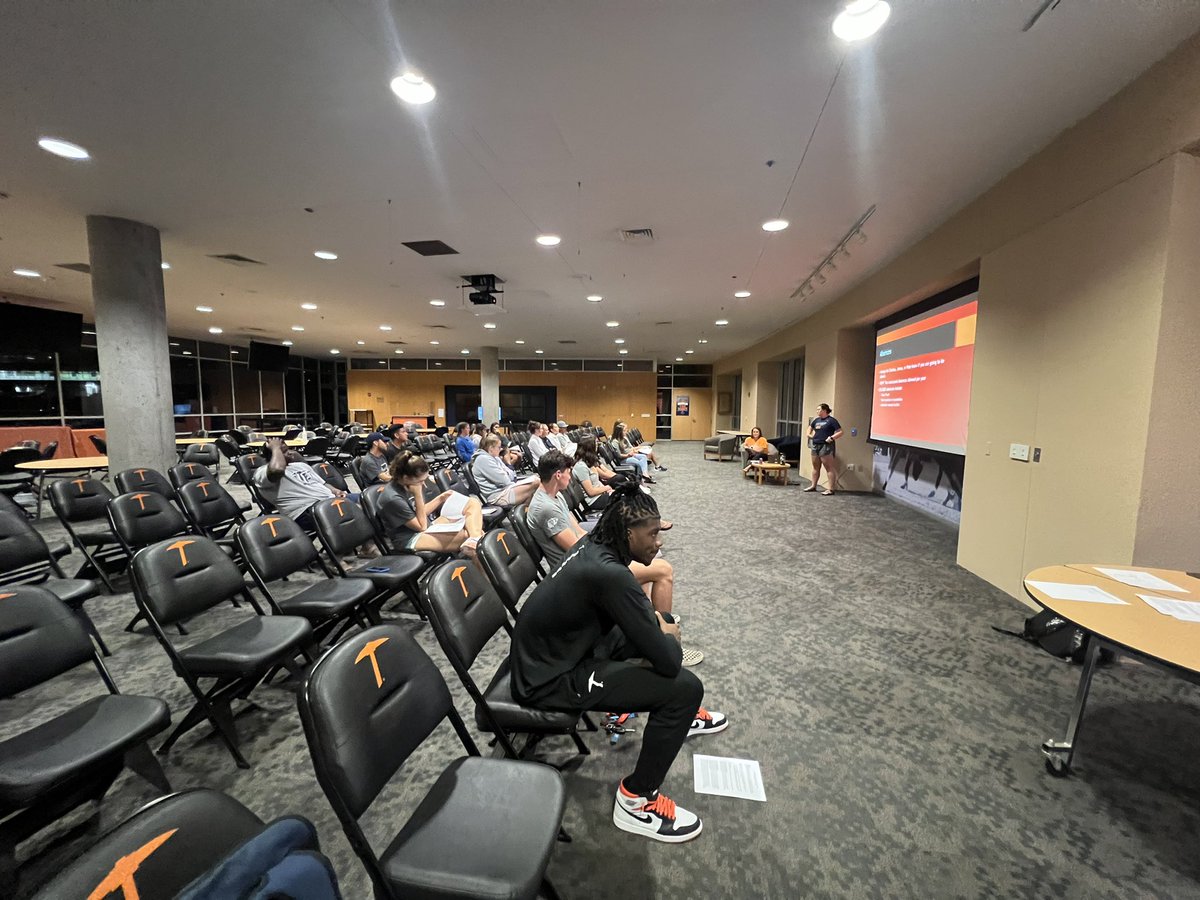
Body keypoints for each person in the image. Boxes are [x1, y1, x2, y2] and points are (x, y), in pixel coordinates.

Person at [510, 484, 726, 843]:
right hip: (547, 679)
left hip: (565, 650)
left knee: (649, 639)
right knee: (685, 688)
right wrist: (668, 627)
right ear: (628, 533)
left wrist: (658, 629)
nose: (659, 543)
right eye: (653, 534)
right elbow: (670, 661)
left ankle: (677, 719)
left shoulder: (595, 547)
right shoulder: (610, 574)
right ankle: (636, 800)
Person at [528, 451, 697, 664]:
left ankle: (647, 622)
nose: (571, 478)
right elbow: (574, 547)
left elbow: (579, 533)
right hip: (579, 571)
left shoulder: (555, 495)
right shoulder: (545, 508)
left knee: (642, 550)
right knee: (663, 570)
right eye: (569, 473)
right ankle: (662, 640)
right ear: (558, 475)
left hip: (586, 558)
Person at [255, 437, 376, 557]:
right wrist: (275, 447)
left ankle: (361, 547)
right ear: (274, 455)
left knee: (370, 501)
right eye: (285, 452)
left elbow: (323, 483)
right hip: (304, 510)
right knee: (353, 509)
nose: (291, 453)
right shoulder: (263, 473)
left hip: (330, 500)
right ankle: (337, 556)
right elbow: (276, 469)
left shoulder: (300, 466)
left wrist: (335, 490)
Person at [377, 450, 484, 558]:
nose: (423, 484)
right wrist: (418, 494)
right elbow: (421, 526)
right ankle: (479, 559)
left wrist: (441, 498)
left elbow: (420, 513)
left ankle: (474, 539)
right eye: (420, 481)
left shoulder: (409, 484)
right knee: (469, 537)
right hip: (410, 538)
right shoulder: (392, 498)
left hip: (427, 524)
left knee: (473, 503)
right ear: (406, 478)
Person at [471, 433, 538, 506]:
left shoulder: (495, 457)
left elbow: (512, 475)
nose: (500, 450)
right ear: (491, 448)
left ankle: (525, 513)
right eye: (499, 447)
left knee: (536, 483)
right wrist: (506, 473)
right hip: (497, 496)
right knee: (536, 482)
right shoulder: (483, 459)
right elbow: (505, 481)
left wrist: (506, 473)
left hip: (505, 490)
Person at [805, 403, 843, 495]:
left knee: (828, 467)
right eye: (817, 410)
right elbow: (809, 428)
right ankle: (813, 485)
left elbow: (840, 432)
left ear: (824, 410)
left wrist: (832, 438)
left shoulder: (831, 421)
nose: (817, 411)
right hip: (815, 445)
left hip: (826, 446)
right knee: (815, 467)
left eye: (819, 409)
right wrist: (809, 435)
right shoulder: (816, 420)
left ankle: (831, 489)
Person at [573, 435, 615, 512]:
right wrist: (606, 488)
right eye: (595, 443)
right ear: (590, 447)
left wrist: (607, 490)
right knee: (624, 500)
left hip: (600, 495)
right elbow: (591, 492)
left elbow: (597, 482)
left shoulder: (589, 461)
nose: (597, 445)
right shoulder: (581, 467)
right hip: (593, 501)